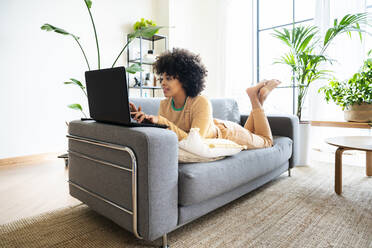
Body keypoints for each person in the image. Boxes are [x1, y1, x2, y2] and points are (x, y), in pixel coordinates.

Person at [130, 48, 281, 149]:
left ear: (184, 79)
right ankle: (258, 96)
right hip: (214, 127)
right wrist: (147, 122)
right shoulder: (165, 105)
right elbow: (168, 136)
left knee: (266, 141)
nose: (162, 82)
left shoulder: (200, 102)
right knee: (251, 133)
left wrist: (162, 122)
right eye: (162, 77)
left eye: (168, 78)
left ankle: (254, 98)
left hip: (228, 134)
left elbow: (196, 144)